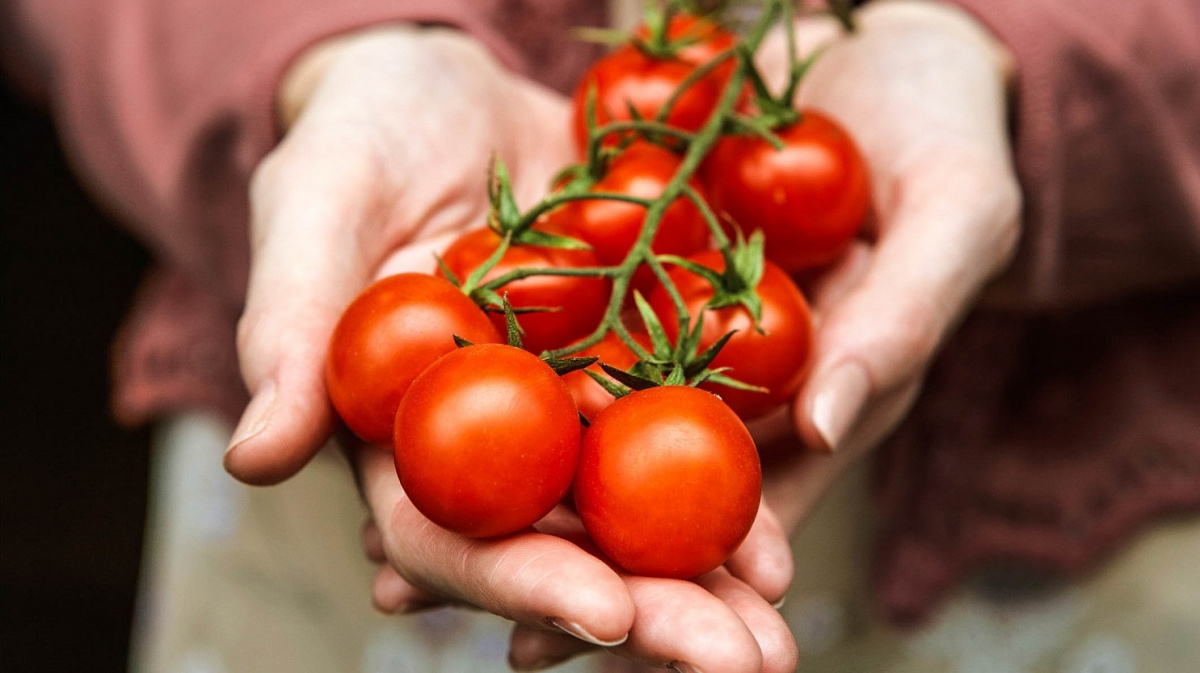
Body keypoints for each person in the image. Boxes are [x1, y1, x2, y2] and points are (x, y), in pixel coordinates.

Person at [3, 0, 1198, 671]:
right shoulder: (621, 281)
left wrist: (1015, 55)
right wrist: (325, 54)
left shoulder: (589, 286)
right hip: (317, 576)